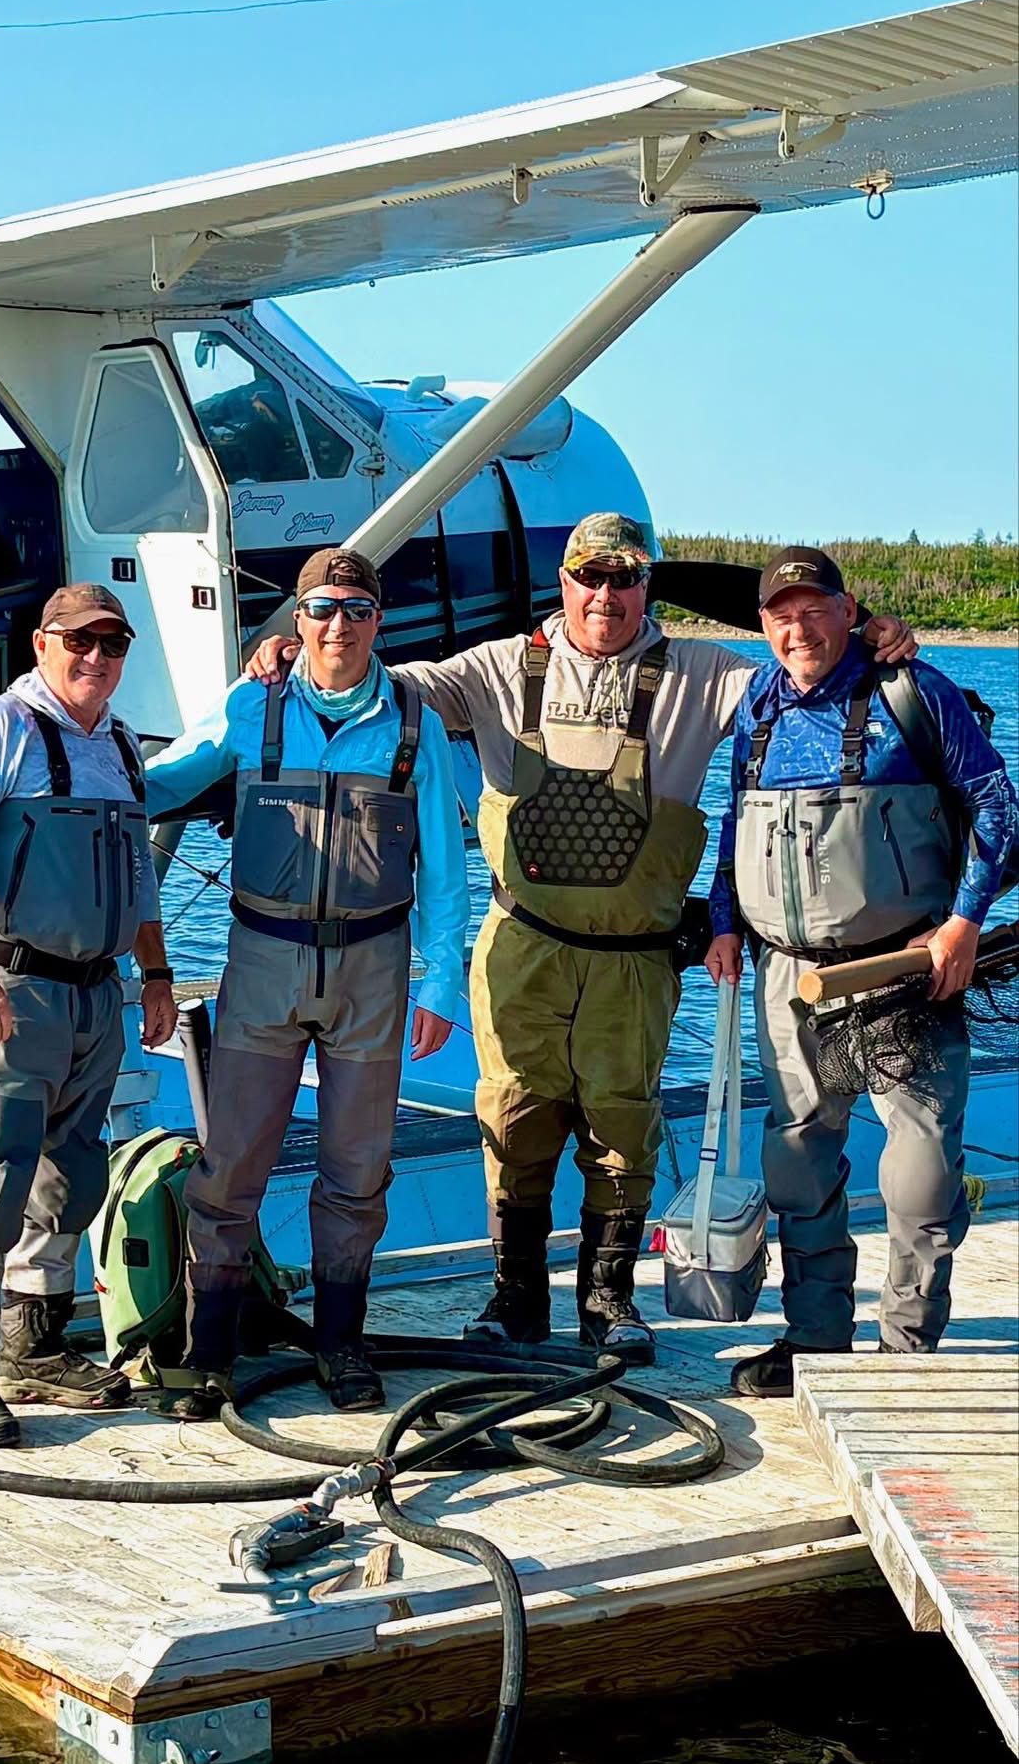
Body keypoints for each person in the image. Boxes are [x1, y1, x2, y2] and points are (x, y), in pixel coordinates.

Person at [249, 516, 916, 1364]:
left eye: (626, 578)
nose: (606, 595)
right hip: (519, 948)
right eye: (588, 577)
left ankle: (608, 1299)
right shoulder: (494, 667)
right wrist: (288, 655)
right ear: (562, 582)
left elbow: (807, 675)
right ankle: (515, 1296)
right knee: (513, 1117)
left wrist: (870, 636)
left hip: (633, 961)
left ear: (648, 585)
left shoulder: (706, 674)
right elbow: (372, 684)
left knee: (622, 1124)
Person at [143, 547, 468, 1418]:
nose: (338, 626)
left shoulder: (412, 724)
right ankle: (208, 1347)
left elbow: (442, 866)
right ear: (297, 619)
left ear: (378, 622)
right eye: (322, 608)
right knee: (232, 1156)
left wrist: (442, 987)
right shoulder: (252, 707)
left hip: (373, 964)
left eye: (356, 610)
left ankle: (340, 1340)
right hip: (262, 959)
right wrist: (68, 755)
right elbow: (161, 780)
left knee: (357, 1167)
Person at [706, 546, 1017, 1395]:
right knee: (798, 1159)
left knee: (919, 1166)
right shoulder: (758, 707)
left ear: (850, 612)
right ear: (762, 624)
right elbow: (734, 823)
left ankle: (908, 1348)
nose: (796, 626)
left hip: (901, 968)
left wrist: (961, 924)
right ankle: (812, 1339)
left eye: (814, 609)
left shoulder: (909, 690)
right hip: (786, 976)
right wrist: (724, 921)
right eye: (779, 613)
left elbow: (996, 802)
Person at [0, 583, 178, 1448]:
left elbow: (137, 873)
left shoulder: (122, 743)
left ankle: (34, 1345)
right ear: (42, 644)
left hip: (95, 991)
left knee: (71, 1174)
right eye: (80, 642)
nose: (96, 658)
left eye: (112, 643)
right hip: (13, 987)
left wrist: (154, 974)